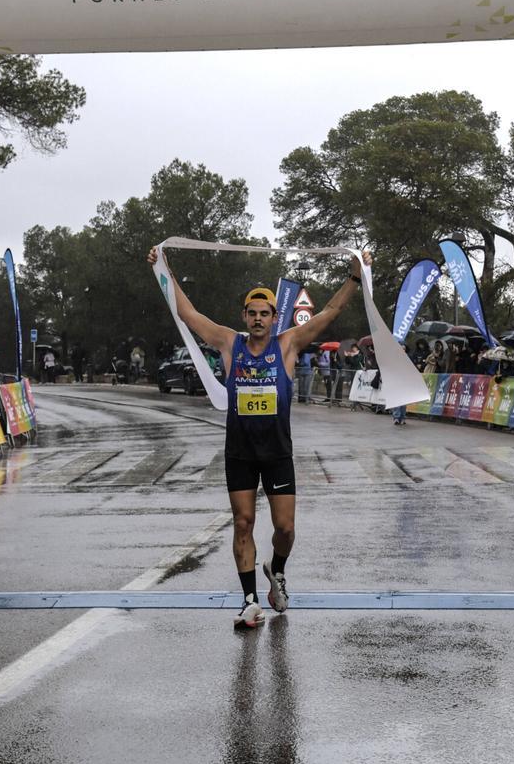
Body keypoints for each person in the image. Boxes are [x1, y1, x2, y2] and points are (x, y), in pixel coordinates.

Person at [148, 246, 372, 628]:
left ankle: (277, 570)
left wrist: (355, 275)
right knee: (243, 523)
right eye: (251, 313)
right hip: (240, 451)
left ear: (273, 317)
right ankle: (250, 600)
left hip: (277, 452)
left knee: (285, 529)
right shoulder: (228, 343)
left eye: (264, 314)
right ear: (244, 316)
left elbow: (330, 313)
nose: (257, 319)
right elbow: (188, 313)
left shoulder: (287, 344)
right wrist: (162, 268)